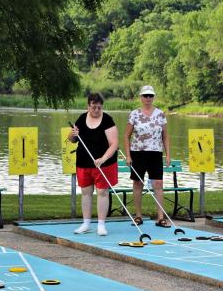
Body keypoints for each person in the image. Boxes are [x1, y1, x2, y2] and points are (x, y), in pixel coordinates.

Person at [68, 93, 118, 236]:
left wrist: (103, 158)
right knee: (86, 192)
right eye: (93, 107)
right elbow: (72, 140)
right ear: (88, 106)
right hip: (84, 162)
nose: (96, 110)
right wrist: (73, 133)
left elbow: (114, 144)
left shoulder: (107, 120)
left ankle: (101, 224)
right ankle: (86, 223)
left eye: (99, 107)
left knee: (102, 192)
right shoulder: (82, 119)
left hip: (103, 163)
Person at [124, 85, 171, 227]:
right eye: (145, 96)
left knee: (158, 184)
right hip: (138, 153)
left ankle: (160, 217)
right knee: (138, 183)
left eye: (151, 96)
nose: (148, 98)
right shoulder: (134, 114)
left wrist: (168, 154)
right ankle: (138, 216)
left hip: (156, 153)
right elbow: (126, 136)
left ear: (153, 97)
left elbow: (165, 136)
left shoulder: (160, 114)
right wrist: (128, 155)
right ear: (141, 97)